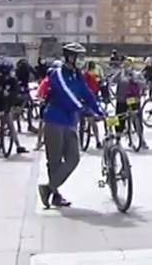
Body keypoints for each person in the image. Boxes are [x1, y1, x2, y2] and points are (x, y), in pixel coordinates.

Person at [38, 42, 102, 208]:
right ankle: (55, 194)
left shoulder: (77, 75)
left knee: (74, 158)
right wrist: (82, 109)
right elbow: (66, 94)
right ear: (70, 57)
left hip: (70, 121)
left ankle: (49, 188)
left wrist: (98, 110)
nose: (81, 61)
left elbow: (87, 93)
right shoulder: (57, 74)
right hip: (54, 120)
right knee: (54, 160)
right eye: (79, 57)